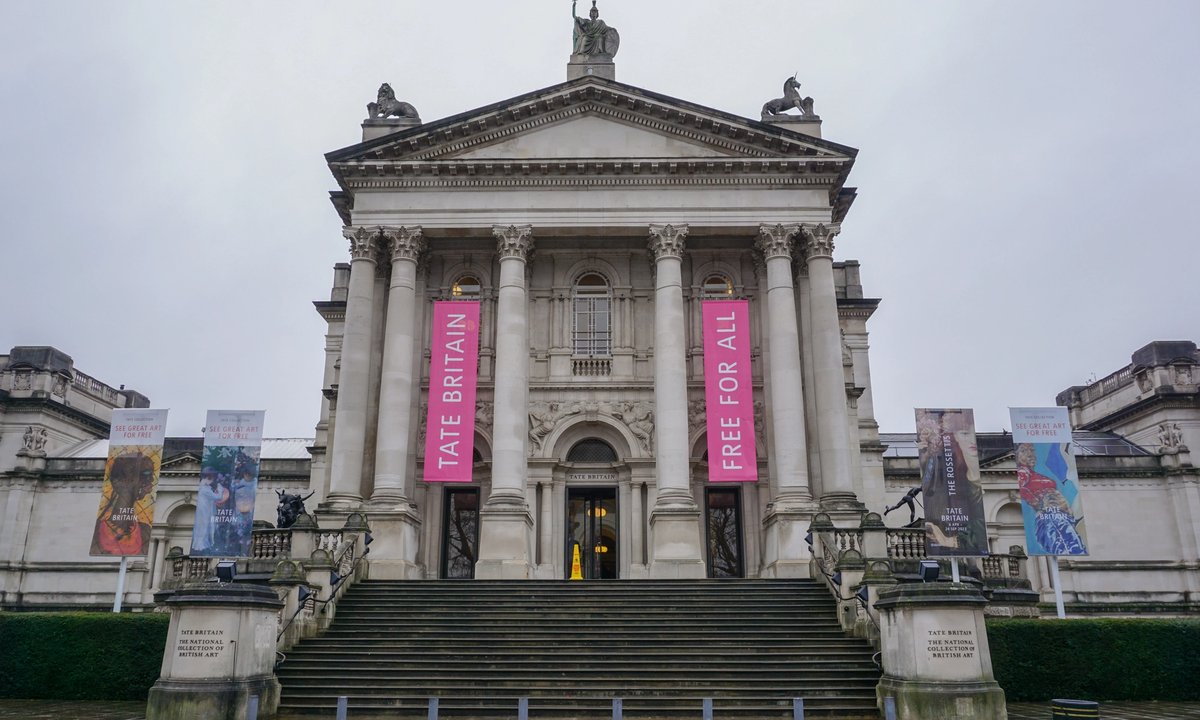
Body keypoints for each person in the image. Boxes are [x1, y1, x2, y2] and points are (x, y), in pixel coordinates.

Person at [91, 451, 156, 555]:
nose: (151, 481)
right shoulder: (96, 531)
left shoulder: (146, 531)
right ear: (118, 481)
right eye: (145, 475)